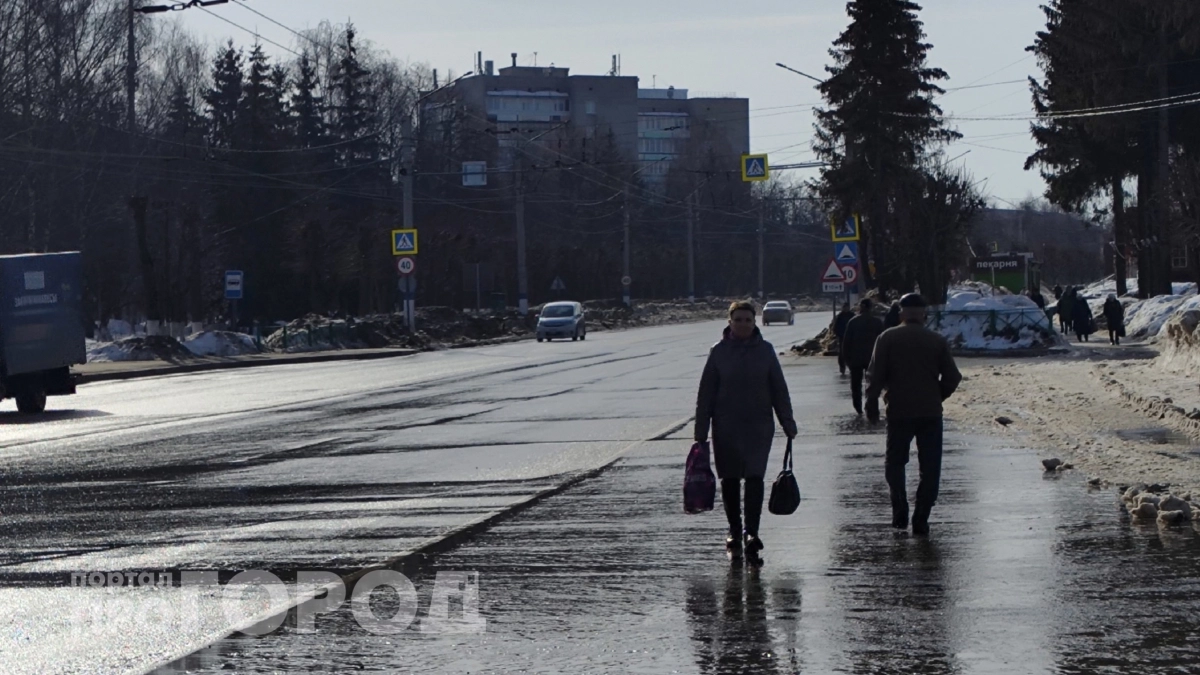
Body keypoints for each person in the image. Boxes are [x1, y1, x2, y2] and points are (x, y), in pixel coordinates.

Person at [695, 300, 798, 563]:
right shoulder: (718, 352)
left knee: (754, 477)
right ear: (729, 322)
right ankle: (733, 531)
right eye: (738, 320)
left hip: (758, 426)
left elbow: (779, 388)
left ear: (755, 323)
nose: (743, 324)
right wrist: (701, 430)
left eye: (747, 320)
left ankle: (751, 532)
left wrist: (787, 421)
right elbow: (706, 393)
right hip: (726, 425)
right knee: (729, 479)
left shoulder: (765, 351)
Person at [865, 293, 962, 536]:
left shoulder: (887, 338)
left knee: (895, 463)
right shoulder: (936, 340)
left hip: (899, 410)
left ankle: (900, 510)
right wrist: (936, 395)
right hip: (930, 413)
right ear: (924, 314)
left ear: (900, 314)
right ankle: (922, 518)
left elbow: (875, 375)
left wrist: (872, 401)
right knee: (930, 468)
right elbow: (953, 377)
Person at [842, 298, 884, 418]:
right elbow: (883, 342)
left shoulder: (853, 322)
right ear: (870, 308)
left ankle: (858, 406)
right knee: (872, 384)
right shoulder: (877, 322)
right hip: (872, 359)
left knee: (856, 384)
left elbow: (846, 343)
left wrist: (846, 359)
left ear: (861, 307)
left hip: (855, 359)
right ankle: (871, 405)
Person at [834, 303, 855, 376]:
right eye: (845, 307)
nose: (846, 309)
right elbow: (835, 327)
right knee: (842, 353)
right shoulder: (840, 316)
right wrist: (839, 335)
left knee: (851, 353)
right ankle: (842, 367)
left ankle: (851, 367)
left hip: (851, 337)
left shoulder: (852, 315)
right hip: (842, 337)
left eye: (847, 307)